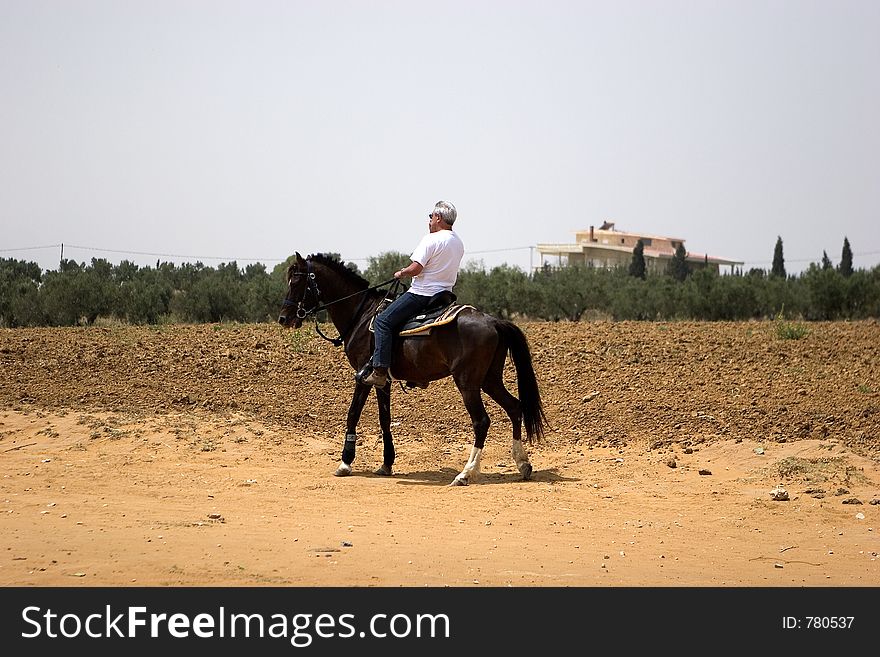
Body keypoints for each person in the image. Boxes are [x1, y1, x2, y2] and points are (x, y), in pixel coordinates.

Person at [362, 200, 465, 387]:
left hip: (422, 293)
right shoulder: (458, 242)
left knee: (383, 321)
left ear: (438, 217)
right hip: (444, 296)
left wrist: (402, 273)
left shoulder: (431, 239)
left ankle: (379, 371)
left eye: (431, 216)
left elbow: (416, 268)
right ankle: (417, 375)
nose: (429, 220)